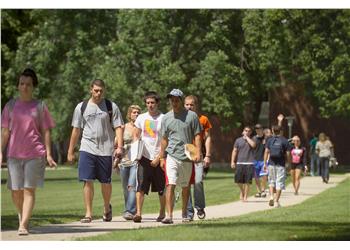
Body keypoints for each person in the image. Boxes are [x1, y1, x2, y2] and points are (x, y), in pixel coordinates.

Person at [1, 68, 57, 236]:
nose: (24, 87)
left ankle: (24, 224)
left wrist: (48, 154)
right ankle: (22, 216)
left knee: (28, 190)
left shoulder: (39, 106)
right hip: (14, 155)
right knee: (16, 191)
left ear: (33, 87)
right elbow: (5, 131)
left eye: (28, 84)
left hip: (35, 154)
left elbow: (46, 130)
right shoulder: (10, 106)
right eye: (22, 84)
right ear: (18, 86)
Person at [67, 79, 124, 223]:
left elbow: (118, 127)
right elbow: (76, 130)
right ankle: (88, 213)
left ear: (104, 91)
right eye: (96, 90)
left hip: (106, 149)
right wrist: (70, 150)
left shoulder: (111, 106)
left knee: (105, 182)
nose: (98, 93)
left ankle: (106, 208)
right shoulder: (81, 107)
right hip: (87, 147)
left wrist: (120, 147)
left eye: (101, 91)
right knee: (87, 180)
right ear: (90, 90)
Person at [159, 89, 202, 224]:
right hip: (172, 155)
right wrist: (161, 157)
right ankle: (169, 215)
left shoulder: (192, 116)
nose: (174, 102)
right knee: (170, 184)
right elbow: (164, 139)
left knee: (185, 187)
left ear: (181, 100)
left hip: (187, 157)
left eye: (176, 100)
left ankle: (184, 213)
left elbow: (197, 135)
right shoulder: (166, 117)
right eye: (172, 100)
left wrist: (198, 153)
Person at [132, 91, 166, 223]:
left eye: (152, 102)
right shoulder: (141, 118)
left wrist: (160, 157)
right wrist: (136, 151)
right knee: (140, 186)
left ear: (157, 103)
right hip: (144, 158)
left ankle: (162, 213)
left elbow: (165, 139)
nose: (150, 105)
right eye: (148, 103)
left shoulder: (164, 118)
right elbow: (136, 134)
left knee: (161, 188)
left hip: (159, 157)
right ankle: (138, 213)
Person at [184, 95, 212, 220]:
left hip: (199, 155)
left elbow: (208, 138)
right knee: (186, 183)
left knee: (198, 181)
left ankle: (200, 207)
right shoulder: (180, 119)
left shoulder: (203, 119)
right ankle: (189, 212)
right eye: (187, 104)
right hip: (184, 155)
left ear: (196, 105)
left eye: (192, 104)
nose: (189, 107)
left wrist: (208, 155)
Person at [118, 105, 141, 220]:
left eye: (138, 113)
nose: (136, 114)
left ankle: (129, 210)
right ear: (129, 114)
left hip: (135, 162)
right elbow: (117, 143)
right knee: (125, 188)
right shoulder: (124, 127)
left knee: (132, 186)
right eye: (134, 112)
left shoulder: (142, 127)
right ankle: (132, 209)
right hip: (123, 162)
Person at [264, 125, 291, 208]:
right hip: (281, 165)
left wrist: (265, 163)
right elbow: (288, 154)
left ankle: (271, 196)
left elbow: (266, 152)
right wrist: (289, 163)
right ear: (281, 131)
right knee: (279, 183)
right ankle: (276, 201)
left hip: (271, 164)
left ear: (272, 131)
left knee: (271, 181)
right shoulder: (285, 141)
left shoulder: (269, 140)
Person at [230, 126, 257, 202]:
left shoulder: (253, 139)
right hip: (240, 162)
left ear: (250, 132)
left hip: (249, 163)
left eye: (249, 131)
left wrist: (247, 138)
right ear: (243, 131)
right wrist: (232, 161)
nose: (247, 132)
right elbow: (234, 151)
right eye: (246, 130)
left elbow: (253, 145)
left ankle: (245, 197)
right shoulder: (238, 140)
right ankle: (242, 191)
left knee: (247, 181)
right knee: (238, 181)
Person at [253, 124, 268, 198]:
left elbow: (276, 132)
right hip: (255, 160)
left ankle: (263, 190)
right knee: (256, 177)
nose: (258, 130)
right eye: (256, 129)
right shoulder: (254, 138)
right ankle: (258, 191)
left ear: (262, 129)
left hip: (263, 160)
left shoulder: (266, 138)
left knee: (264, 175)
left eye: (259, 128)